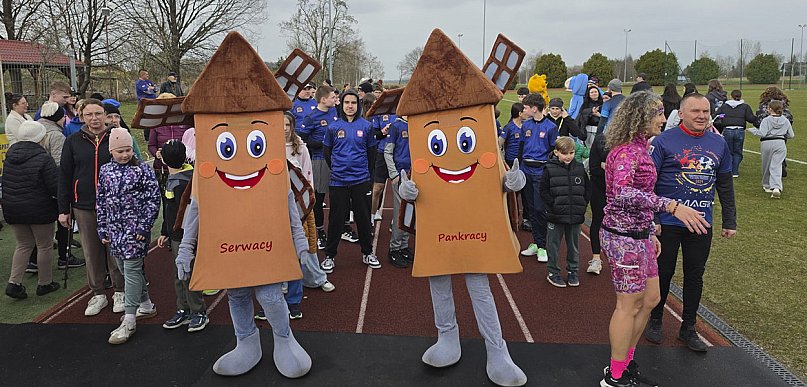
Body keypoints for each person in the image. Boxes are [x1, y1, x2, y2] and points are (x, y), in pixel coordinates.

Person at [599, 91, 709, 387]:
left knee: (651, 299)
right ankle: (615, 375)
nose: (663, 118)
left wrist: (649, 230)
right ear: (640, 117)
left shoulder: (642, 148)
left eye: (662, 112)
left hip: (641, 235)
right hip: (622, 238)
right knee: (629, 303)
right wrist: (670, 205)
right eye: (658, 113)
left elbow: (639, 196)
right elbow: (621, 194)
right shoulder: (625, 152)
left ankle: (625, 363)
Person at [645, 93, 737, 353]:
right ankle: (655, 319)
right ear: (681, 114)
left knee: (695, 275)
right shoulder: (663, 141)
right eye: (695, 111)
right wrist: (653, 220)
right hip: (668, 220)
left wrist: (729, 220)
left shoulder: (718, 144)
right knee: (664, 272)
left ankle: (688, 327)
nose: (701, 116)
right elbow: (647, 184)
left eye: (706, 112)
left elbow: (725, 184)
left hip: (700, 221)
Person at [58, 98, 126, 316]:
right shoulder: (73, 141)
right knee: (91, 250)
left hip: (115, 205)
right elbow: (65, 175)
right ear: (81, 117)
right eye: (89, 115)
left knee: (115, 250)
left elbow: (131, 164)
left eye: (98, 114)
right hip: (84, 205)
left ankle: (120, 291)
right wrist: (63, 208)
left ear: (105, 115)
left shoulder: (116, 136)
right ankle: (98, 294)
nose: (95, 119)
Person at [97, 128, 161, 344]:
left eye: (128, 150)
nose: (125, 155)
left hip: (135, 231)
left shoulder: (143, 169)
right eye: (120, 151)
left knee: (132, 270)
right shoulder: (105, 170)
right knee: (124, 269)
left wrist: (144, 227)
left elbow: (153, 199)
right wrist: (103, 228)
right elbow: (101, 200)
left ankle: (130, 319)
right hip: (114, 230)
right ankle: (146, 305)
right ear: (111, 151)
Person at [320, 89, 379, 273]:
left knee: (363, 218)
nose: (350, 106)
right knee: (337, 219)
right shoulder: (333, 127)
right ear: (342, 104)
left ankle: (367, 252)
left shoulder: (366, 126)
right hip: (338, 181)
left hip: (361, 180)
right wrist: (339, 169)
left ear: (358, 104)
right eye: (347, 103)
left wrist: (365, 175)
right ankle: (329, 256)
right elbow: (327, 153)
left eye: (353, 103)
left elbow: (372, 154)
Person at [3, 121, 61, 299]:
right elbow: (54, 186)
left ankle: (14, 282)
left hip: (13, 207)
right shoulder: (43, 158)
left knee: (23, 244)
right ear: (40, 138)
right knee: (44, 245)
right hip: (39, 208)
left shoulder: (10, 156)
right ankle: (45, 283)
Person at [157, 140, 209, 332]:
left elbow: (186, 213)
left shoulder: (183, 182)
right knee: (179, 275)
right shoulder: (175, 178)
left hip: (185, 236)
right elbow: (168, 209)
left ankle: (198, 311)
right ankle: (183, 308)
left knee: (188, 274)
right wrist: (165, 231)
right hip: (175, 235)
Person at [283, 112, 335, 293]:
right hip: (277, 205)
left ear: (292, 126)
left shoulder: (300, 148)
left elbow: (307, 176)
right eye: (280, 124)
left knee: (307, 241)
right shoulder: (268, 146)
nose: (284, 128)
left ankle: (316, 277)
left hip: (299, 204)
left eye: (287, 125)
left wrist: (306, 201)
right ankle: (283, 280)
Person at [540, 137, 590, 288]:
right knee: (553, 245)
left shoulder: (580, 168)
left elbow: (587, 189)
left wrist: (582, 205)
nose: (568, 156)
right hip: (555, 216)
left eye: (572, 153)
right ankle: (553, 272)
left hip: (575, 216)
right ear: (556, 152)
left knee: (574, 246)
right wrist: (553, 206)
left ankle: (573, 271)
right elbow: (543, 190)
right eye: (565, 153)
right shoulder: (549, 169)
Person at [518, 93, 559, 262]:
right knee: (530, 209)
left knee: (541, 209)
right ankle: (536, 242)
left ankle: (543, 247)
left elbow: (553, 150)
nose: (524, 109)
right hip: (526, 169)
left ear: (534, 108)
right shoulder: (525, 125)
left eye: (526, 107)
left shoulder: (550, 127)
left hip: (541, 171)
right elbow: (521, 147)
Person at [299, 85, 339, 249]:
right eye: (333, 97)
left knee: (338, 195)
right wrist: (323, 145)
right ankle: (320, 231)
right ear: (323, 99)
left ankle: (341, 227)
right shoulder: (311, 117)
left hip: (337, 159)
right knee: (319, 197)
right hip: (320, 160)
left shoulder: (335, 112)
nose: (335, 100)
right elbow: (303, 140)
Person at [747, 100, 794, 198]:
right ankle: (776, 187)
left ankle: (767, 185)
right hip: (780, 143)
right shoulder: (785, 120)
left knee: (766, 164)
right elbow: (791, 135)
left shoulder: (766, 120)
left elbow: (762, 133)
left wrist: (753, 130)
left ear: (770, 109)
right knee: (776, 165)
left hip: (767, 143)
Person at [383, 115, 413, 268]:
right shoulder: (396, 126)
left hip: (414, 174)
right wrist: (393, 173)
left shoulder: (416, 123)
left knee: (410, 212)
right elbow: (388, 152)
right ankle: (394, 249)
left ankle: (403, 246)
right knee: (400, 212)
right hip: (401, 174)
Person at [148, 93, 191, 187]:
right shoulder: (156, 124)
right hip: (162, 168)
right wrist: (156, 154)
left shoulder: (185, 123)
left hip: (183, 167)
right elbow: (151, 145)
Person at [714, 90, 757, 177]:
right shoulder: (745, 106)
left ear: (731, 96)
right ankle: (735, 171)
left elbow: (717, 115)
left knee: (728, 151)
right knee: (737, 151)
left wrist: (724, 118)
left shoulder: (725, 106)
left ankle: (728, 169)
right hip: (739, 130)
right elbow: (750, 118)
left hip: (728, 129)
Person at [755, 86, 793, 178]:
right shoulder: (783, 103)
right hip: (782, 131)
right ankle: (781, 165)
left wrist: (758, 126)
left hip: (768, 132)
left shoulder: (765, 105)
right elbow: (789, 116)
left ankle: (771, 173)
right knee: (780, 150)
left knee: (769, 154)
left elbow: (760, 117)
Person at [586, 132, 608, 275]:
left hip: (621, 191)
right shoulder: (601, 140)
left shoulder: (632, 142)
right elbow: (594, 168)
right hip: (599, 188)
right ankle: (596, 258)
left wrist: (607, 166)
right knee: (598, 221)